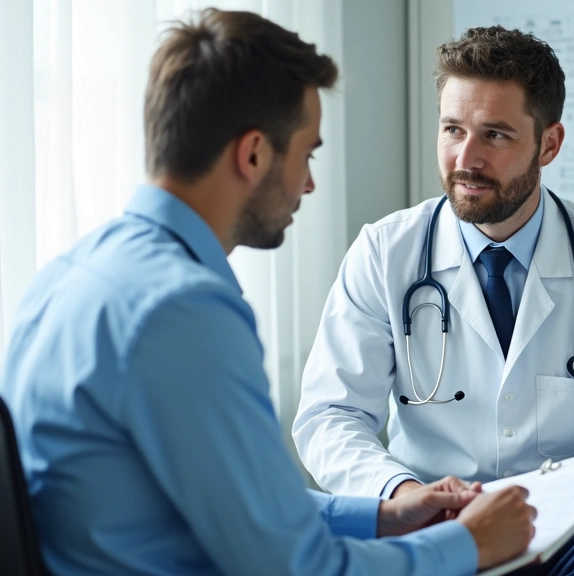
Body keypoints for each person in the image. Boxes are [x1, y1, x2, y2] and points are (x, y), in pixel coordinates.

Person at [0, 10, 535, 576]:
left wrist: (383, 515)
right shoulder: (183, 312)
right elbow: (298, 567)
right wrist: (468, 545)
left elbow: (237, 502)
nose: (308, 182)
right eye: (307, 152)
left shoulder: (70, 273)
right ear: (253, 154)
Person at [293, 25, 574, 575]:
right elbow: (330, 414)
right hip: (439, 519)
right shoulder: (385, 252)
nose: (466, 158)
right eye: (453, 129)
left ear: (549, 143)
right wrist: (401, 494)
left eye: (495, 135)